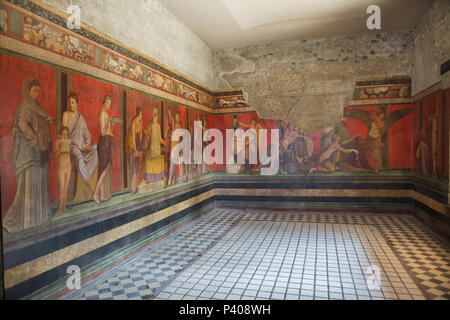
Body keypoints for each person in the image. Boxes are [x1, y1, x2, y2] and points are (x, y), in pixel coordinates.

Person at [3, 78, 53, 233]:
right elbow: (23, 125)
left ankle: (39, 217)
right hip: (28, 151)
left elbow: (40, 121)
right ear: (28, 90)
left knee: (38, 181)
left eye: (38, 91)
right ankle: (26, 221)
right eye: (34, 90)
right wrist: (34, 137)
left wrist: (47, 120)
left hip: (38, 150)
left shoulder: (36, 106)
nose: (36, 94)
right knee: (30, 184)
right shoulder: (24, 106)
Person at [62, 92, 98, 202]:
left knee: (96, 150)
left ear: (77, 104)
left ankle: (88, 178)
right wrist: (67, 148)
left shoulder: (80, 117)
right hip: (73, 147)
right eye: (69, 102)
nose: (71, 105)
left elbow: (86, 133)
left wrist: (87, 143)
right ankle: (93, 190)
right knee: (80, 159)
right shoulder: (66, 115)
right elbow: (64, 134)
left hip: (82, 146)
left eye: (73, 103)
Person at [93, 95, 121, 203]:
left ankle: (103, 195)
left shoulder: (106, 114)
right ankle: (96, 193)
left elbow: (110, 131)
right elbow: (103, 133)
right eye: (107, 103)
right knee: (104, 168)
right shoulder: (103, 114)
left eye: (110, 103)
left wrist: (111, 124)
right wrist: (109, 122)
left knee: (105, 168)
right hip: (104, 142)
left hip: (109, 142)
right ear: (104, 103)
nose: (109, 105)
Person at [140, 108, 166, 191]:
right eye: (155, 116)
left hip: (156, 148)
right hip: (153, 147)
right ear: (153, 116)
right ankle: (150, 179)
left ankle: (154, 178)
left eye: (157, 116)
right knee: (149, 159)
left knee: (154, 159)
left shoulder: (157, 125)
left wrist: (164, 142)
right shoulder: (151, 125)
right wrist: (146, 133)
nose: (156, 118)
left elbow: (160, 138)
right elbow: (148, 139)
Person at [126, 107, 145, 194]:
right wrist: (135, 149)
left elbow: (140, 136)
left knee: (137, 166)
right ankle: (132, 188)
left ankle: (136, 186)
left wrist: (140, 147)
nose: (142, 116)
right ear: (138, 114)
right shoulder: (134, 123)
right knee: (133, 167)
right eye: (141, 114)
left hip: (137, 145)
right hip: (132, 145)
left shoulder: (140, 122)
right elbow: (133, 137)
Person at [54, 126, 72, 214]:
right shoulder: (57, 142)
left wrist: (70, 147)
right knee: (61, 188)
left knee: (66, 187)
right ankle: (60, 208)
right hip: (61, 168)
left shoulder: (68, 142)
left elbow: (70, 155)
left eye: (66, 134)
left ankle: (64, 207)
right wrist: (60, 148)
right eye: (63, 134)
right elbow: (55, 156)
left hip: (68, 167)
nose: (65, 136)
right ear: (60, 135)